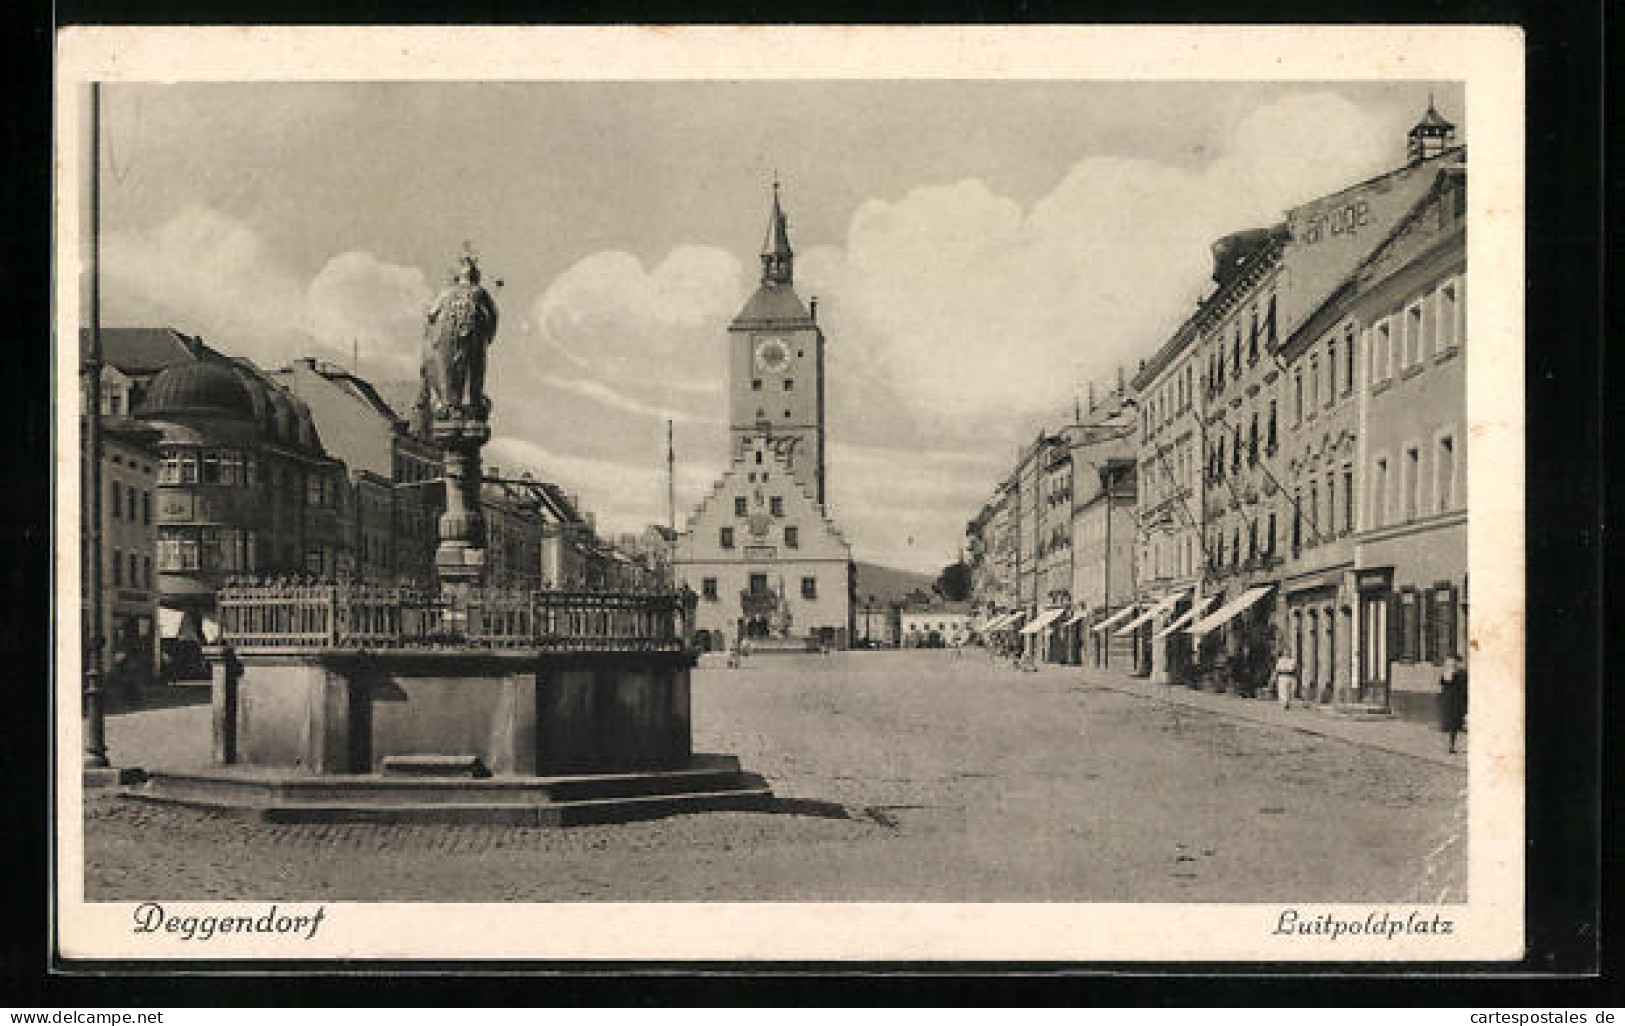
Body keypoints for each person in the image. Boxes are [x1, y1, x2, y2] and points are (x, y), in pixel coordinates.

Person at [1440, 654, 1468, 753]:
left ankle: (1453, 746)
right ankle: (1453, 746)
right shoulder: (1453, 674)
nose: (1454, 664)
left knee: (1457, 725)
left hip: (1457, 702)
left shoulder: (1458, 674)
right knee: (1456, 725)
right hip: (1456, 703)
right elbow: (1443, 684)